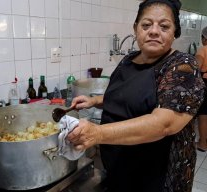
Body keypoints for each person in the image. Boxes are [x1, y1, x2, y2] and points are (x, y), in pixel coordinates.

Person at [67, 0, 205, 191]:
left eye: (164, 26)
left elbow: (165, 124)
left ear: (174, 32)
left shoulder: (182, 66)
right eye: (146, 25)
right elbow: (125, 98)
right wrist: (95, 101)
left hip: (157, 176)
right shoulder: (128, 60)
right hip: (118, 168)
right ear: (136, 28)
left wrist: (97, 133)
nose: (154, 31)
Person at [195, 27, 207, 152]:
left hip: (205, 83)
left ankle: (202, 143)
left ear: (204, 38)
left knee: (203, 114)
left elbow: (196, 68)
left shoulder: (203, 50)